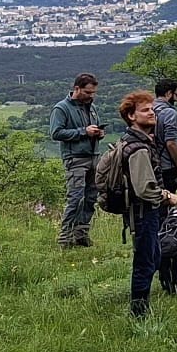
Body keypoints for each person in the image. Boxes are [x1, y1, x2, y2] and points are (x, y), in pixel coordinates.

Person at [116, 89, 177, 318]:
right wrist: (167, 197)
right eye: (145, 110)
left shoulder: (133, 141)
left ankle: (141, 307)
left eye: (152, 109)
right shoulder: (139, 148)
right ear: (131, 116)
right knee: (145, 260)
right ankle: (139, 312)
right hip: (143, 211)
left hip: (141, 210)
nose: (152, 113)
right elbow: (144, 188)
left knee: (151, 256)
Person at [49, 74, 105, 247]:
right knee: (76, 199)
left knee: (90, 198)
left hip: (93, 156)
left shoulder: (92, 107)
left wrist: (98, 133)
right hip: (75, 159)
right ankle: (65, 238)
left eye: (93, 92)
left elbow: (92, 128)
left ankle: (81, 235)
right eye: (88, 92)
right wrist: (83, 132)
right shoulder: (61, 108)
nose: (91, 96)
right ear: (77, 89)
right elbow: (56, 133)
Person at [152, 79, 177, 190]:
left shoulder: (148, 110)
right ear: (169, 93)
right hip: (166, 166)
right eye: (176, 95)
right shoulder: (169, 112)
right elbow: (171, 143)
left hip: (151, 163)